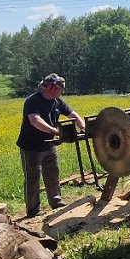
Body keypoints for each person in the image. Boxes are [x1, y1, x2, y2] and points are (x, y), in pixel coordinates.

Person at [17, 73, 85, 218]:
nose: (63, 91)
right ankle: (33, 211)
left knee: (53, 173)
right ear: (51, 87)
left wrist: (84, 127)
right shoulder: (32, 101)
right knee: (33, 178)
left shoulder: (57, 101)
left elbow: (73, 114)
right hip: (31, 147)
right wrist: (54, 131)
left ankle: (56, 201)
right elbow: (35, 120)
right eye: (61, 88)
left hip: (49, 146)